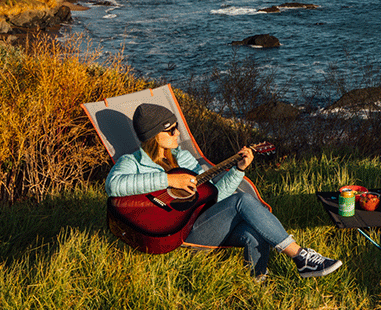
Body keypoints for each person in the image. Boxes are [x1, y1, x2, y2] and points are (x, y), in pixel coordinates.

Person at [106, 103, 342, 280]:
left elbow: (215, 195)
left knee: (254, 230)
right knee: (243, 200)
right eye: (171, 130)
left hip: (204, 224)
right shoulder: (132, 162)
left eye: (177, 127)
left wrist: (239, 170)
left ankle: (257, 282)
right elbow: (113, 185)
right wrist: (168, 179)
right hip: (178, 232)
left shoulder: (184, 158)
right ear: (154, 136)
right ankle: (300, 257)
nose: (178, 133)